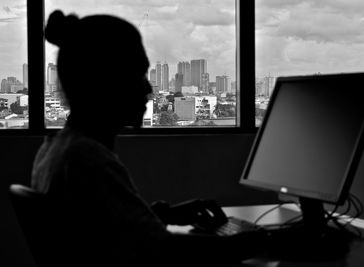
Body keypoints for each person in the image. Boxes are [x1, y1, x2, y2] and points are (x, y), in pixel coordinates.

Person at [31, 10, 269, 267]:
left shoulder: (56, 148)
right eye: (138, 74)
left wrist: (161, 215)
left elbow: (105, 228)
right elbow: (163, 250)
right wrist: (263, 241)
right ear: (107, 81)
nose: (148, 89)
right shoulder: (87, 161)